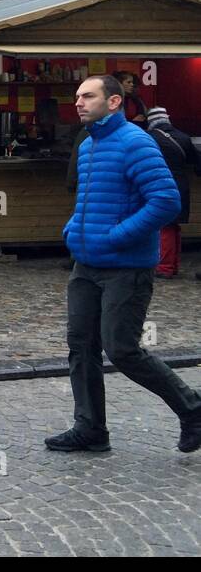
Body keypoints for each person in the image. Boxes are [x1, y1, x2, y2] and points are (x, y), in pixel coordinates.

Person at [48, 75, 201, 455]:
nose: (79, 102)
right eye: (77, 96)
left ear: (114, 101)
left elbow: (166, 201)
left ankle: (194, 410)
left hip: (126, 266)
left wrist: (117, 236)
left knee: (122, 348)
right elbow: (89, 199)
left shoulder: (136, 142)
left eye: (88, 96)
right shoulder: (88, 145)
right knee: (80, 346)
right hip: (85, 265)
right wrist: (72, 228)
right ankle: (90, 429)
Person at [144, 107, 198, 279]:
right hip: (181, 185)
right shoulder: (183, 137)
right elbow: (197, 165)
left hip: (159, 185)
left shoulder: (149, 138)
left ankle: (165, 267)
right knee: (174, 226)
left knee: (163, 226)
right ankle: (173, 264)